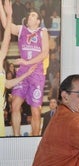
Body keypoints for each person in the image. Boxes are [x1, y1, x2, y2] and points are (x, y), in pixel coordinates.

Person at [0, 1, 49, 136]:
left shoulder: (42, 32)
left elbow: (44, 53)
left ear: (39, 21)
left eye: (33, 16)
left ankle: (34, 138)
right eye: (29, 15)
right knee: (15, 105)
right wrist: (1, 8)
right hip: (23, 72)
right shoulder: (22, 29)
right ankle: (16, 136)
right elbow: (6, 25)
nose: (30, 17)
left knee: (36, 111)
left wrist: (28, 63)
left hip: (36, 74)